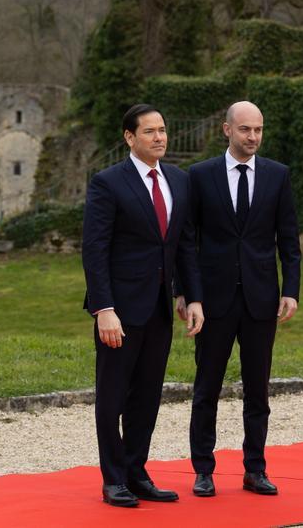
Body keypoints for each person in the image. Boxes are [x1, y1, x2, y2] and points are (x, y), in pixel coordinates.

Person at [82, 104, 204, 508]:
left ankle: (136, 473)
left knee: (148, 396)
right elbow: (95, 250)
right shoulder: (108, 183)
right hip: (118, 310)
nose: (160, 138)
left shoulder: (179, 181)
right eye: (149, 131)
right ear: (129, 138)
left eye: (163, 130)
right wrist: (104, 308)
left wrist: (191, 295)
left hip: (159, 309)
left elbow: (184, 244)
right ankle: (112, 479)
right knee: (113, 396)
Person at [182, 100, 300, 498]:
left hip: (261, 300)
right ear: (226, 130)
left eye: (259, 130)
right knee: (206, 389)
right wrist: (187, 293)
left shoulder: (277, 175)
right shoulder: (199, 176)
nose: (253, 137)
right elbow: (186, 240)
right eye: (246, 129)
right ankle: (203, 471)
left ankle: (255, 470)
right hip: (213, 302)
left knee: (258, 391)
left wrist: (291, 290)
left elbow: (289, 239)